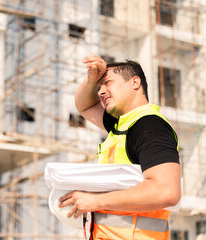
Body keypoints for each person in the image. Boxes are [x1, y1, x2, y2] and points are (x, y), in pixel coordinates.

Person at [58, 54, 181, 239]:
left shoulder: (149, 126)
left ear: (135, 82)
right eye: (99, 88)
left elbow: (166, 191)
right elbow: (83, 105)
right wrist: (92, 79)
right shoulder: (122, 125)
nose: (100, 92)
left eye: (108, 83)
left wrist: (96, 201)